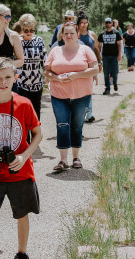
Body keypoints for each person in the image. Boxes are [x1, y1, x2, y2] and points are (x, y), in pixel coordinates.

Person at [0, 58, 42, 259]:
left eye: (7, 77)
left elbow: (38, 133)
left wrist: (24, 156)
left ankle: (22, 253)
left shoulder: (24, 104)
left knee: (22, 214)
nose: (3, 82)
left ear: (15, 78)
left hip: (19, 170)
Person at [45, 22, 99, 172]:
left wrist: (77, 75)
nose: (69, 36)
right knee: (62, 125)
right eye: (66, 33)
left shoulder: (85, 50)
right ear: (61, 35)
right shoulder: (55, 51)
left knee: (76, 125)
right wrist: (57, 78)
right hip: (58, 94)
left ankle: (76, 157)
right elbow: (47, 72)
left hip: (82, 95)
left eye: (72, 33)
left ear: (78, 35)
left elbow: (95, 69)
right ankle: (63, 160)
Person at [17, 14, 47, 121]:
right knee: (23, 114)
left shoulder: (39, 41)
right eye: (26, 31)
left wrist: (47, 75)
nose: (29, 33)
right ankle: (26, 138)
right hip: (21, 84)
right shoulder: (17, 41)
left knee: (35, 114)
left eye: (32, 30)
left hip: (36, 84)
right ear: (21, 29)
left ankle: (36, 137)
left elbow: (44, 61)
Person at [77, 14, 102, 122]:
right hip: (78, 67)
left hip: (90, 67)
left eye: (86, 22)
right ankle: (80, 113)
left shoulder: (92, 34)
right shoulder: (75, 35)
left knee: (88, 89)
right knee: (79, 91)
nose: (84, 25)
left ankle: (89, 113)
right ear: (78, 23)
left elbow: (96, 49)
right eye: (82, 22)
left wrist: (99, 63)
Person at [98, 17, 122, 95]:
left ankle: (115, 82)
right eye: (106, 23)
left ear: (112, 23)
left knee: (115, 72)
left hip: (114, 55)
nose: (108, 24)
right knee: (106, 73)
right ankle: (107, 88)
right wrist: (99, 56)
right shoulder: (102, 34)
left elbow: (119, 45)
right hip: (105, 56)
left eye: (109, 22)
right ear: (105, 24)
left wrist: (119, 54)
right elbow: (99, 46)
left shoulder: (116, 33)